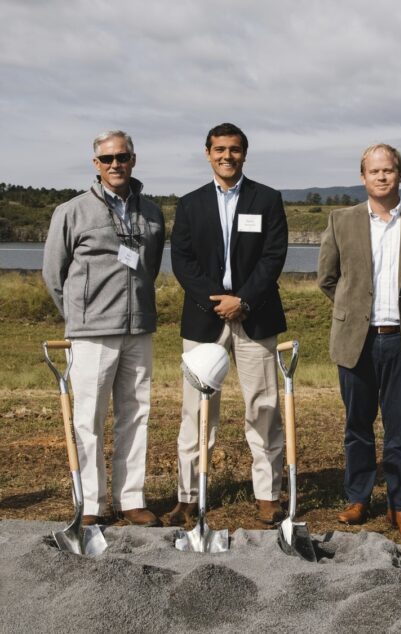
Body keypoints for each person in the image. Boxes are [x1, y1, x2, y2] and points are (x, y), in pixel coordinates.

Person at [317, 143, 401, 538]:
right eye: (374, 171)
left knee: (400, 429)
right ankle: (358, 498)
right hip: (356, 340)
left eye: (388, 170)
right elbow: (327, 278)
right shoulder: (341, 220)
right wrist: (351, 309)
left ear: (400, 174)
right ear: (363, 177)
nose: (381, 177)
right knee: (357, 425)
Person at [42, 130, 165, 527]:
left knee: (136, 415)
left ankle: (130, 499)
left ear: (133, 159)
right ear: (96, 164)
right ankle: (92, 504)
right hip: (92, 332)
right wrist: (81, 314)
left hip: (139, 329)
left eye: (123, 157)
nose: (116, 165)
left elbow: (150, 266)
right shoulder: (71, 211)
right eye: (108, 159)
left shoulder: (152, 212)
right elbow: (53, 274)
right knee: (88, 419)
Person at [169, 123, 287, 527]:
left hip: (256, 316)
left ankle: (268, 494)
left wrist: (244, 301)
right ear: (207, 153)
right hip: (205, 320)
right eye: (219, 149)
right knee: (197, 411)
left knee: (263, 407)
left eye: (234, 149)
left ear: (244, 154)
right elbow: (181, 261)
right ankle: (188, 495)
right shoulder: (189, 205)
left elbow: (274, 257)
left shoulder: (267, 200)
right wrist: (215, 301)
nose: (227, 156)